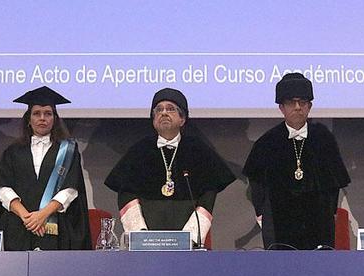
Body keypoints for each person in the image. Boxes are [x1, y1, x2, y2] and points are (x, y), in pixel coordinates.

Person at [104, 88, 235, 247]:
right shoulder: (139, 151)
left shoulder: (198, 150)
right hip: (146, 241)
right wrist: (140, 235)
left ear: (182, 119)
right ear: (153, 119)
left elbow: (208, 194)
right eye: (159, 110)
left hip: (187, 238)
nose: (164, 113)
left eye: (171, 109)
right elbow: (125, 191)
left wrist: (190, 237)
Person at [243, 73, 350, 250]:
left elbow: (334, 184)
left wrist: (329, 211)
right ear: (281, 108)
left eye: (303, 102)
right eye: (292, 102)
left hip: (319, 222)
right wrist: (263, 215)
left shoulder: (323, 139)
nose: (298, 107)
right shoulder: (267, 142)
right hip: (279, 223)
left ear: (310, 106)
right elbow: (257, 186)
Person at [0, 86, 91, 250]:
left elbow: (70, 189)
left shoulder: (68, 151)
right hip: (19, 225)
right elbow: (4, 189)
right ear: (28, 119)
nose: (42, 118)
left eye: (48, 113)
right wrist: (28, 218)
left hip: (56, 226)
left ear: (55, 119)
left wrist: (43, 215)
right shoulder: (12, 151)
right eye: (37, 113)